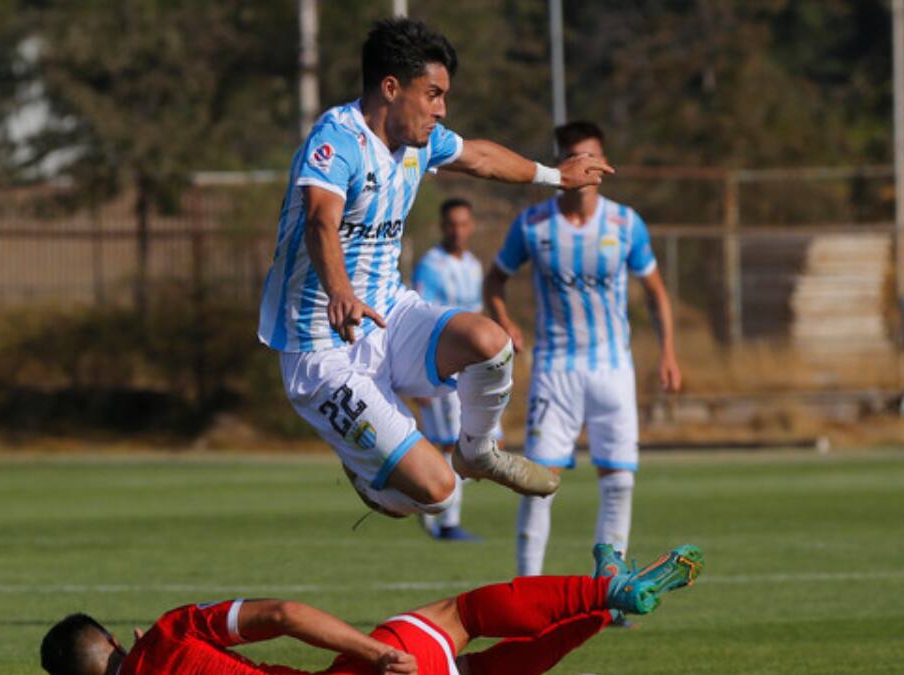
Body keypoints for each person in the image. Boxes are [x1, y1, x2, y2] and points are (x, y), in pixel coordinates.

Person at [256, 19, 613, 519]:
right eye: (433, 94)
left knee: (490, 344)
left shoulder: (418, 145)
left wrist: (556, 176)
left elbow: (481, 158)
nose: (441, 109)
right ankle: (366, 470)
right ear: (391, 88)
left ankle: (478, 451)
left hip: (389, 315)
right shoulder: (337, 140)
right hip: (320, 349)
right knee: (437, 495)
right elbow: (320, 220)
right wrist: (339, 290)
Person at [484, 121, 681, 579]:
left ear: (606, 162)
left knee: (619, 483)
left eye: (593, 156)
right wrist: (505, 320)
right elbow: (494, 281)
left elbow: (655, 291)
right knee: (538, 484)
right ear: (561, 163)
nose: (586, 166)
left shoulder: (625, 223)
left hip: (613, 370)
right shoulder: (533, 225)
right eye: (576, 157)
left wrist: (669, 352)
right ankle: (526, 592)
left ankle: (608, 592)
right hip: (555, 371)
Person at [39, 544, 704, 675]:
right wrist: (373, 652)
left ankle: (600, 610)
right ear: (114, 641)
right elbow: (283, 613)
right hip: (364, 673)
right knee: (461, 616)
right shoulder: (169, 633)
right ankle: (603, 594)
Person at [410, 198, 495, 541]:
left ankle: (426, 501)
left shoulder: (473, 266)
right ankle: (446, 521)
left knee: (472, 446)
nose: (458, 231)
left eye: (463, 224)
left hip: (468, 369)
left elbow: (476, 317)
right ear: (442, 227)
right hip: (439, 367)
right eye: (451, 224)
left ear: (471, 226)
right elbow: (419, 318)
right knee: (450, 445)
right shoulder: (430, 266)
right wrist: (418, 377)